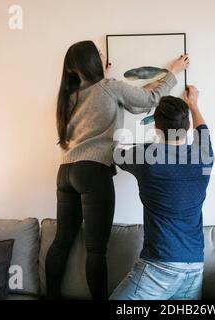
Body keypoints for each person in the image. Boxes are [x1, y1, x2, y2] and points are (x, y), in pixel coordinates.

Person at [45, 40, 189, 300]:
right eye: (100, 55)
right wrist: (174, 73)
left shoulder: (69, 95)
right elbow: (150, 99)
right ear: (91, 62)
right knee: (96, 249)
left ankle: (51, 295)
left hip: (65, 171)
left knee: (61, 240)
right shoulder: (108, 88)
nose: (105, 58)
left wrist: (107, 79)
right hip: (92, 172)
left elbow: (123, 102)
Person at [110, 85, 214, 300]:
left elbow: (116, 155)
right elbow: (203, 130)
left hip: (160, 267)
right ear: (187, 127)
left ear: (156, 127)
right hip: (194, 267)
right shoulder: (204, 156)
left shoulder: (147, 157)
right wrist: (193, 104)